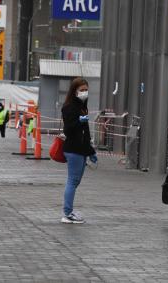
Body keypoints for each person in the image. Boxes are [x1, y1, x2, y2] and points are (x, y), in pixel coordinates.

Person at [61, 78, 98, 224]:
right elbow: (69, 130)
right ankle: (67, 212)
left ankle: (68, 211)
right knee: (72, 181)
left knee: (75, 181)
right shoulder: (70, 107)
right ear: (74, 90)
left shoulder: (82, 106)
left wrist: (90, 151)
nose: (84, 92)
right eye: (81, 90)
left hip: (81, 149)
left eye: (86, 89)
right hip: (74, 149)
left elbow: (85, 133)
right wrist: (79, 121)